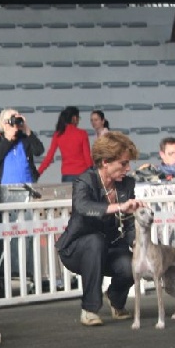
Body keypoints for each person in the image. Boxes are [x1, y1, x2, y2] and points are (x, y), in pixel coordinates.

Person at [56, 132, 143, 327]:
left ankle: (115, 299)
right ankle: (90, 309)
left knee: (130, 265)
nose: (128, 168)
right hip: (77, 248)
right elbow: (82, 207)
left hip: (110, 248)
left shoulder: (126, 184)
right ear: (105, 162)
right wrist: (117, 207)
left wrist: (138, 244)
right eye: (123, 163)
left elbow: (128, 224)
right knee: (95, 241)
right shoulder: (85, 180)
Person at [0, 108, 44, 184]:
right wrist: (8, 139)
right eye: (12, 119)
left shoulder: (24, 138)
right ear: (4, 123)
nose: (15, 121)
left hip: (28, 185)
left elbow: (39, 150)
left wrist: (27, 130)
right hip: (4, 187)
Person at [37, 106, 93, 183]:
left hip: (67, 175)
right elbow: (87, 157)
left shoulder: (58, 134)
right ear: (74, 118)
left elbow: (49, 157)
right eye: (78, 118)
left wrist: (38, 173)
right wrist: (93, 173)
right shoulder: (82, 133)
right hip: (83, 174)